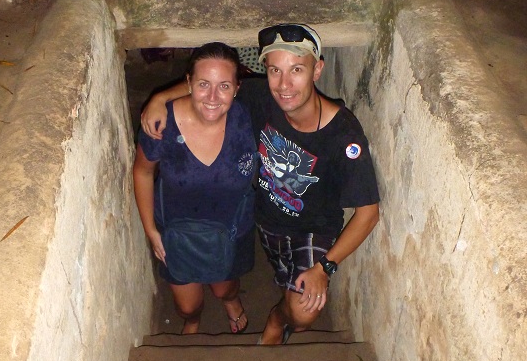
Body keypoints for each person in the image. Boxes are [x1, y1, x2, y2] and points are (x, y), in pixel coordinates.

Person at [140, 24, 380, 344]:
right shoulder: (261, 98)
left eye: (297, 69)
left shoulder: (344, 134)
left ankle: (279, 318)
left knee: (303, 313)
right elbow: (214, 89)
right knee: (272, 279)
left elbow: (369, 213)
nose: (284, 85)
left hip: (312, 228)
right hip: (265, 221)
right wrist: (160, 98)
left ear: (317, 69)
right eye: (274, 70)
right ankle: (274, 295)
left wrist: (325, 268)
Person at [133, 42, 257, 335]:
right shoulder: (161, 124)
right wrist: (151, 230)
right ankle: (192, 321)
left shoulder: (249, 112)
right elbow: (142, 171)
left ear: (238, 87)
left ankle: (230, 301)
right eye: (203, 84)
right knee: (188, 307)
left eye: (224, 86)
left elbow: (294, 98)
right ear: (187, 82)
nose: (213, 97)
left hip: (232, 229)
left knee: (225, 287)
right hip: (177, 231)